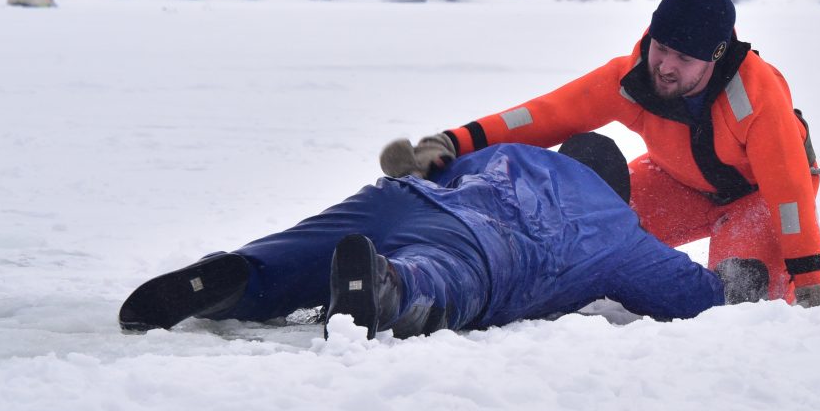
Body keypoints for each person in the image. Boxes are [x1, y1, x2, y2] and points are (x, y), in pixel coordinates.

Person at [381, 0, 820, 308]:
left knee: (734, 293)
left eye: (683, 59)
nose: (664, 65)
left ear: (717, 56)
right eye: (660, 47)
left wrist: (812, 281)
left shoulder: (756, 98)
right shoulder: (632, 76)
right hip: (678, 183)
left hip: (759, 200)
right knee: (585, 237)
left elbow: (789, 192)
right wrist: (452, 142)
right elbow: (542, 115)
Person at [120, 138, 757, 339]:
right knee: (436, 276)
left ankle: (234, 276)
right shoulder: (618, 229)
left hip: (403, 199)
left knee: (297, 250)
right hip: (488, 246)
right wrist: (740, 281)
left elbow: (435, 169)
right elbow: (688, 293)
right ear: (616, 188)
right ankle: (392, 288)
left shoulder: (512, 152)